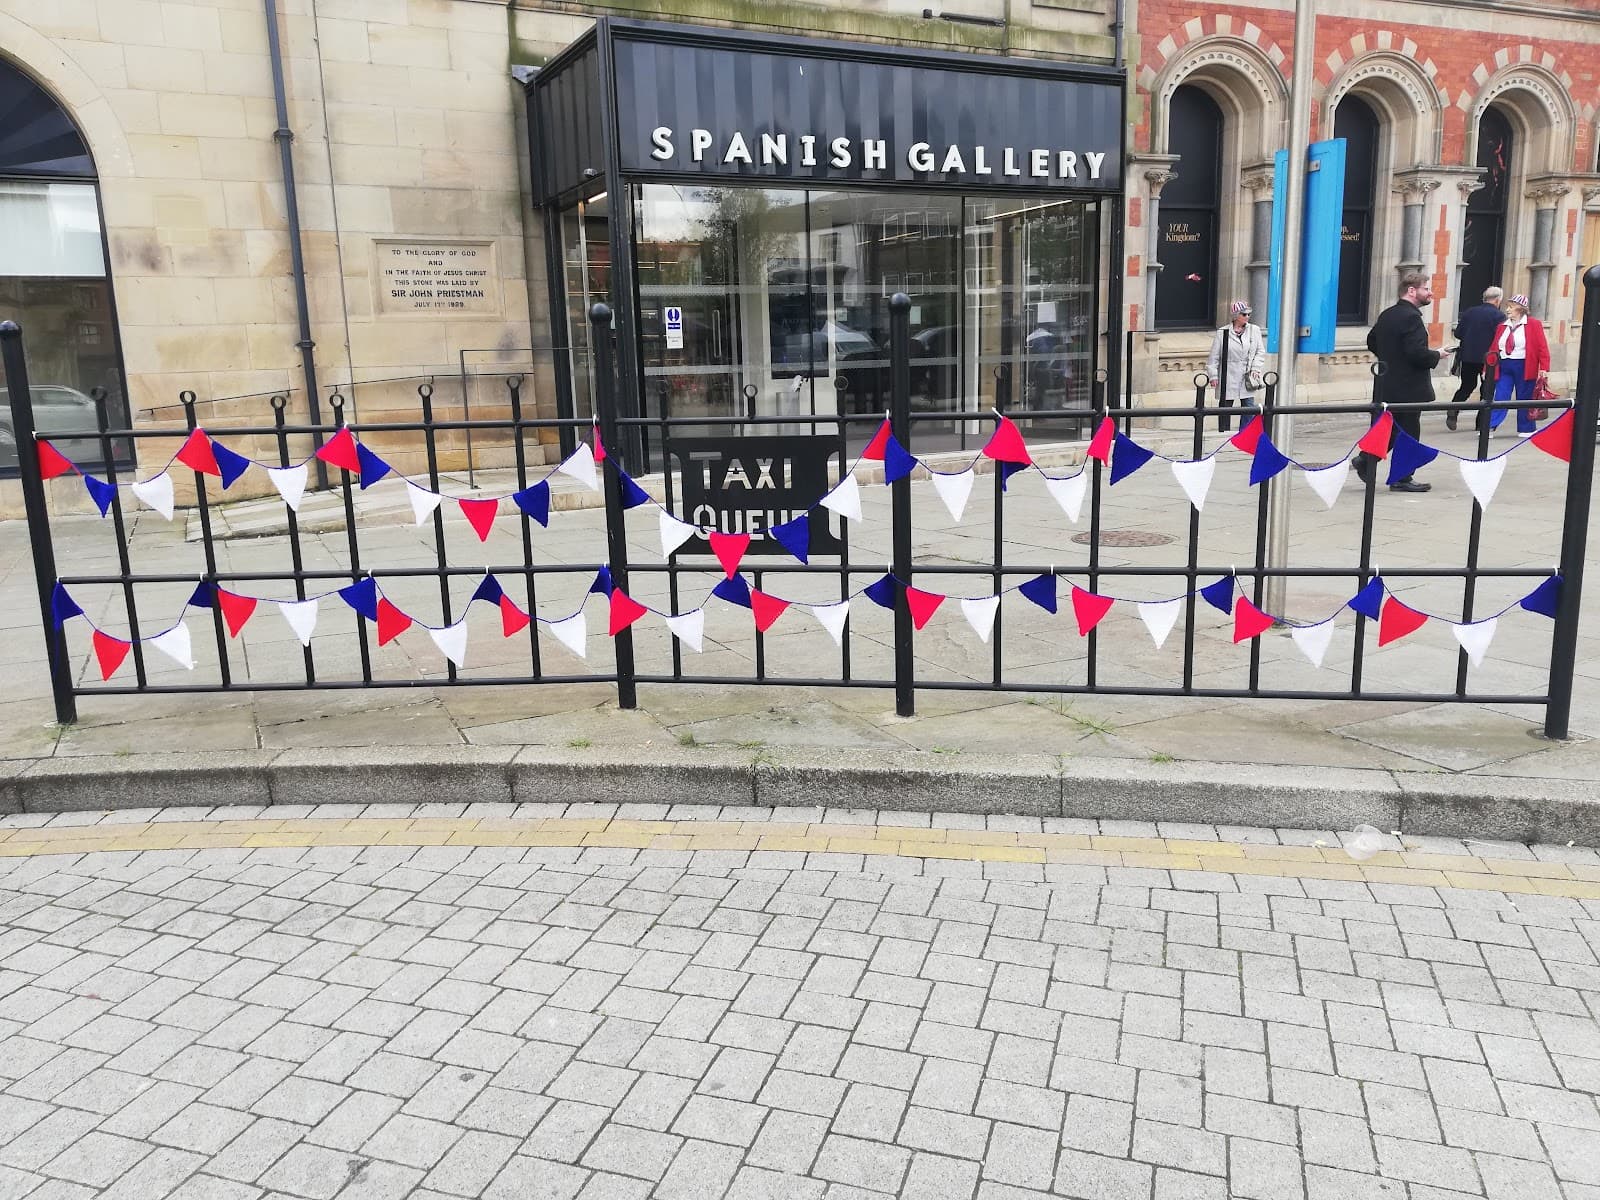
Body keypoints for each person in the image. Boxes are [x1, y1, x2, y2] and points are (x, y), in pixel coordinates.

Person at [1356, 271, 1444, 493]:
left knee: (1389, 430)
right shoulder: (1411, 317)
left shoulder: (1388, 314)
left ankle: (1366, 459)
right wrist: (1436, 355)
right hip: (1409, 387)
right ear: (1412, 291)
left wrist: (1389, 359)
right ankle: (1402, 477)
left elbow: (1372, 340)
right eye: (1426, 288)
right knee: (1408, 433)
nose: (1430, 292)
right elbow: (1416, 353)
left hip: (1387, 383)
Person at [1484, 293, 1551, 438]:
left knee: (1525, 396)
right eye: (1508, 307)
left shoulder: (1534, 324)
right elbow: (1493, 348)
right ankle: (1489, 426)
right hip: (1504, 364)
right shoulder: (1502, 326)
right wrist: (1487, 368)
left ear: (1520, 309)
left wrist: (1544, 368)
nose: (1507, 310)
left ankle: (1526, 428)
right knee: (1501, 396)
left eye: (1511, 307)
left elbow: (1542, 348)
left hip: (1525, 365)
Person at [1447, 286, 1503, 431]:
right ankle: (1481, 424)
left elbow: (1458, 333)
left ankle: (1453, 410)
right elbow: (1501, 339)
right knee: (1487, 390)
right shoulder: (1499, 316)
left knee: (1466, 386)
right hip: (1488, 360)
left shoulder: (1470, 312)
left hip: (1468, 356)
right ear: (1497, 300)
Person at [1205, 301, 1265, 433]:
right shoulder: (1223, 332)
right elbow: (1214, 356)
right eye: (1244, 314)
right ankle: (1224, 430)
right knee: (1226, 405)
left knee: (1248, 405)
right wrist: (1213, 375)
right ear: (1236, 315)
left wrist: (1255, 367)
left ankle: (1244, 433)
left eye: (1249, 314)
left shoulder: (1254, 330)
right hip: (1228, 373)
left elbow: (1260, 351)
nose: (1247, 316)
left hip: (1247, 374)